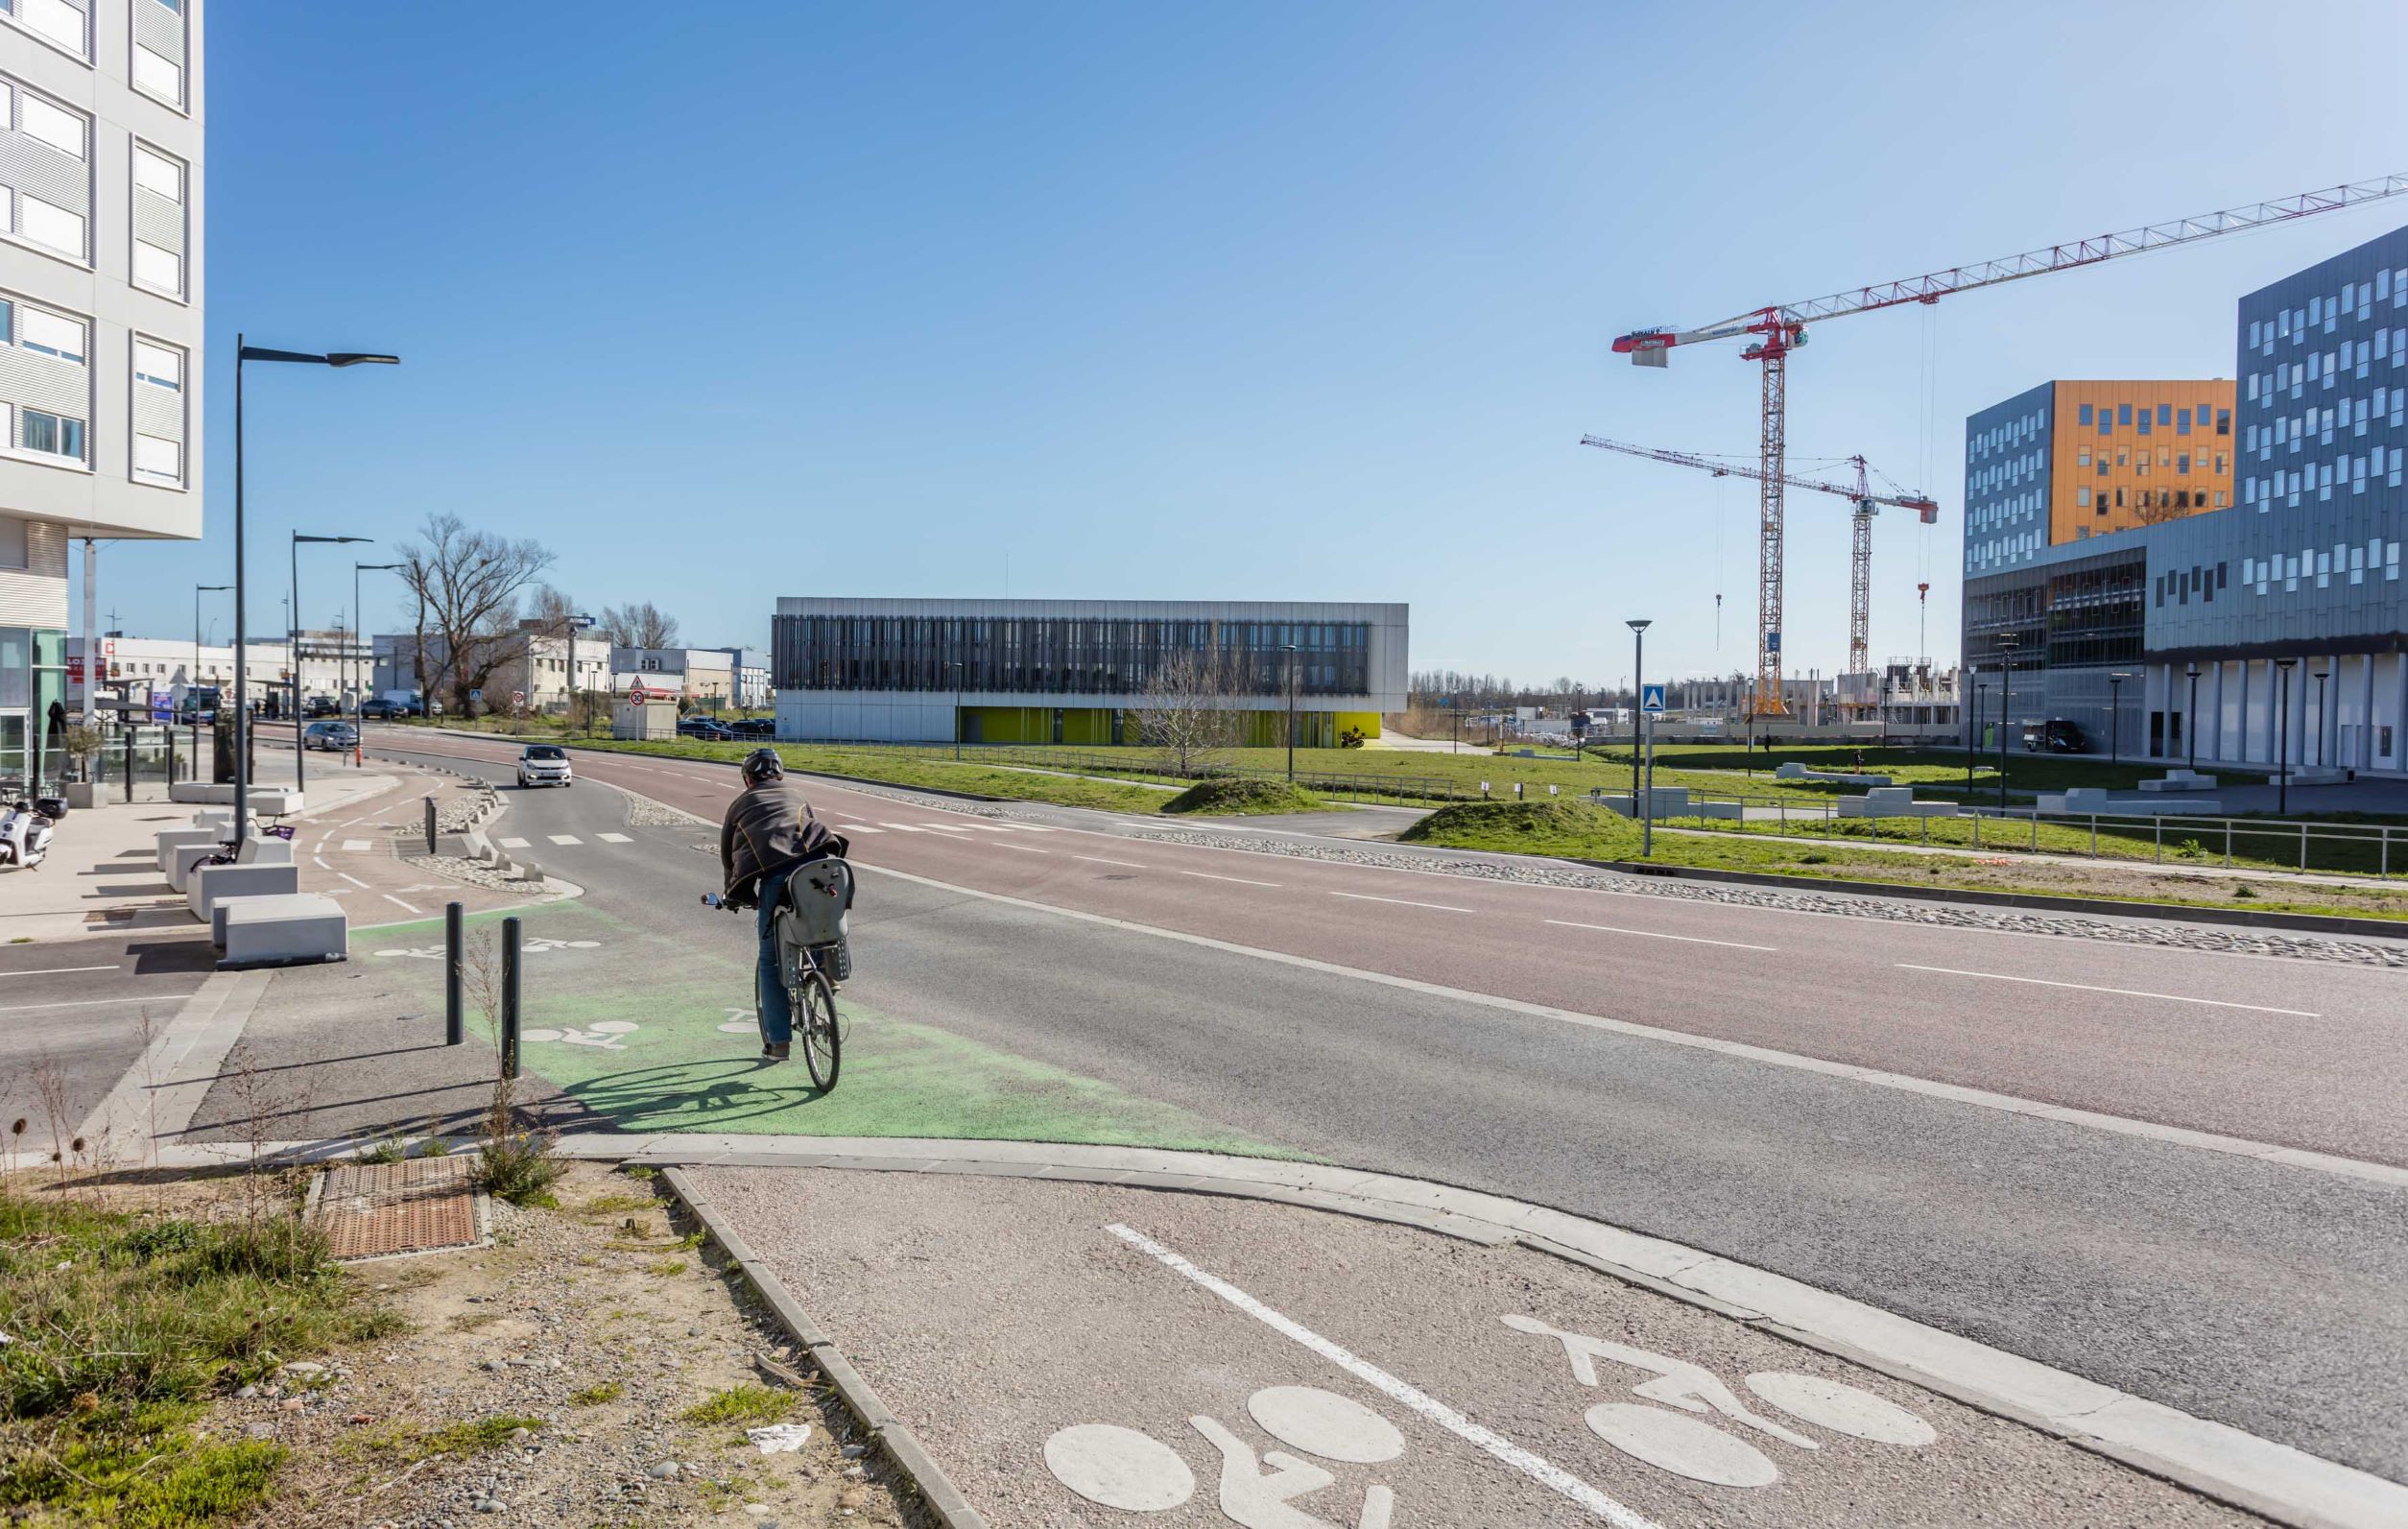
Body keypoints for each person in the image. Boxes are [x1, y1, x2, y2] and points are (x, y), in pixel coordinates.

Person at [719, 748, 840, 1061]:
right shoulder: (797, 794)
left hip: (777, 880)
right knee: (818, 921)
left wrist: (733, 893)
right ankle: (824, 972)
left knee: (771, 962)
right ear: (780, 775)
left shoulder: (739, 805)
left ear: (748, 779)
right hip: (818, 873)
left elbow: (729, 856)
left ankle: (779, 1043)